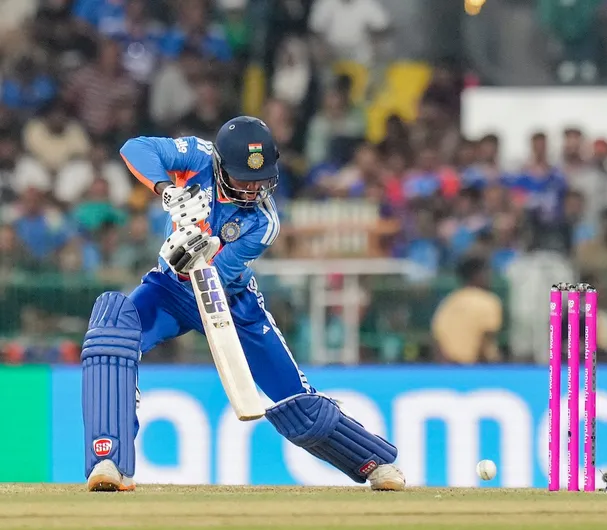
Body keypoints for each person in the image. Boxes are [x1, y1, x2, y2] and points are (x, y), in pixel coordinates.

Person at [81, 116, 405, 492]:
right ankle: (109, 460)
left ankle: (375, 464)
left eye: (261, 179)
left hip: (232, 305)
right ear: (219, 166)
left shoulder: (264, 222)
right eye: (243, 178)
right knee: (111, 330)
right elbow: (134, 147)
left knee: (297, 403)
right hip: (169, 291)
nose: (253, 188)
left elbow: (214, 277)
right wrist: (168, 190)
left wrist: (194, 246)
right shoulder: (198, 157)